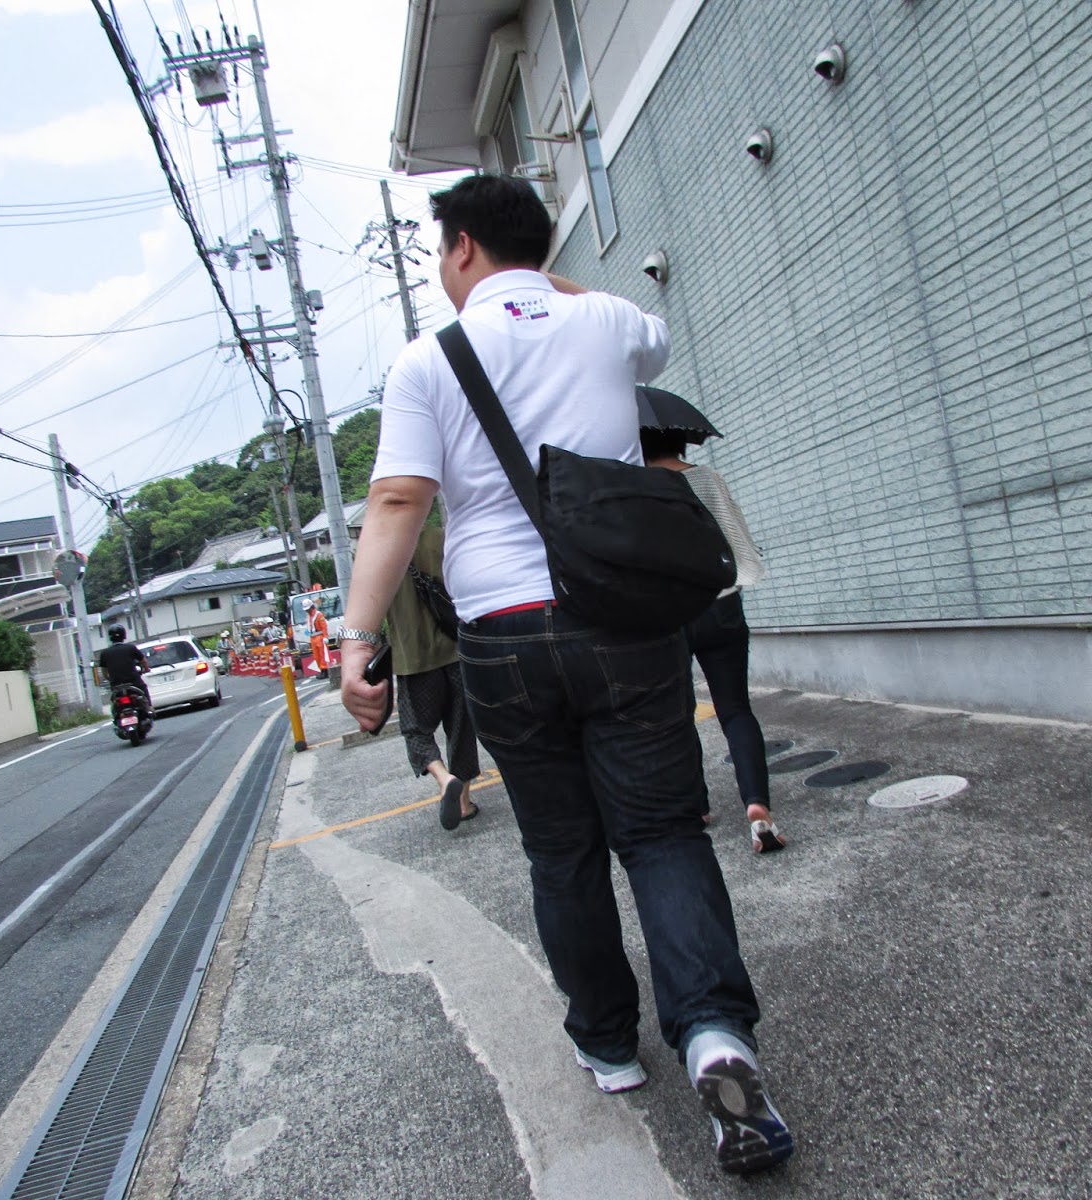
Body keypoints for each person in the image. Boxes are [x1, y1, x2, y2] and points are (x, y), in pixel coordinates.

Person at [339, 173, 792, 1174]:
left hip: (501, 637)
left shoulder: (427, 360)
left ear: (461, 247)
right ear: (539, 247)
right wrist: (552, 282)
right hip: (622, 621)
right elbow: (651, 334)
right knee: (663, 834)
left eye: (441, 250)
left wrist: (357, 639)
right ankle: (715, 1035)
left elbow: (400, 502)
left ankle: (605, 1042)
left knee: (561, 851)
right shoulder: (607, 324)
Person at [641, 428, 783, 854]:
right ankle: (757, 806)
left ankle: (697, 806)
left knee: (680, 711)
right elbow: (736, 537)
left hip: (672, 615)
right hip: (721, 606)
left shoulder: (639, 487)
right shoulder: (707, 479)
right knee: (736, 709)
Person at [384, 523, 479, 831]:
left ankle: (443, 777)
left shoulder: (379, 549)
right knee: (461, 728)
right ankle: (464, 804)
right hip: (455, 650)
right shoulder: (442, 538)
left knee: (416, 730)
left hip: (413, 659)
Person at [98, 625, 152, 711]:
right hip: (134, 682)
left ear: (110, 637)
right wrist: (146, 669)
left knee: (115, 701)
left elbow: (104, 671)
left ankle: (117, 713)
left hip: (116, 684)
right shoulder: (130, 648)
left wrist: (109, 678)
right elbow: (143, 661)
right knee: (143, 688)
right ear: (124, 635)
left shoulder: (104, 653)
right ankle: (149, 708)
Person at [305, 599, 330, 673]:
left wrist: (325, 637)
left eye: (308, 609)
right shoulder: (309, 616)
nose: (306, 611)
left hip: (319, 637)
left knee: (322, 654)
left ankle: (325, 670)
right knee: (316, 656)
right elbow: (309, 628)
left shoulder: (319, 615)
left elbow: (324, 626)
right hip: (313, 638)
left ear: (311, 607)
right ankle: (321, 669)